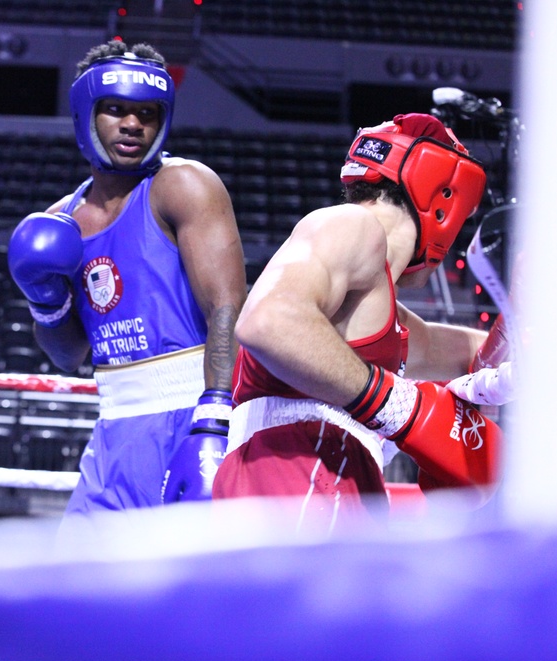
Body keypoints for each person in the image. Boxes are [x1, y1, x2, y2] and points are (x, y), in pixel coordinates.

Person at [212, 112, 503, 530]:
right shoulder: (353, 226)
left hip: (323, 479)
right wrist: (395, 405)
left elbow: (474, 353)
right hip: (299, 473)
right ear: (444, 202)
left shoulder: (385, 317)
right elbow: (265, 321)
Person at [7, 40, 247, 513]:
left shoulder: (183, 185)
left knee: (188, 584)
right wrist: (44, 300)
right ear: (86, 113)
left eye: (147, 113)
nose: (133, 124)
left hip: (195, 416)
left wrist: (217, 420)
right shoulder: (62, 220)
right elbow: (68, 354)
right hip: (115, 428)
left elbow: (227, 308)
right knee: (78, 578)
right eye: (115, 109)